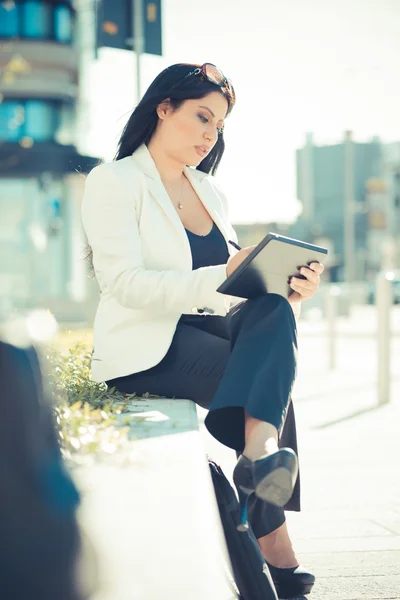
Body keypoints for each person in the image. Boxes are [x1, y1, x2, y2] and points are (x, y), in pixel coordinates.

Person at [81, 62, 324, 598]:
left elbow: (240, 289)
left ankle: (259, 456)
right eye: (202, 117)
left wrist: (286, 289)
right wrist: (223, 276)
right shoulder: (114, 180)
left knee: (276, 313)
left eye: (218, 126)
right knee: (266, 390)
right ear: (163, 109)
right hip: (148, 345)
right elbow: (123, 283)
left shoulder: (212, 192)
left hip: (211, 328)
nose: (210, 135)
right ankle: (276, 544)